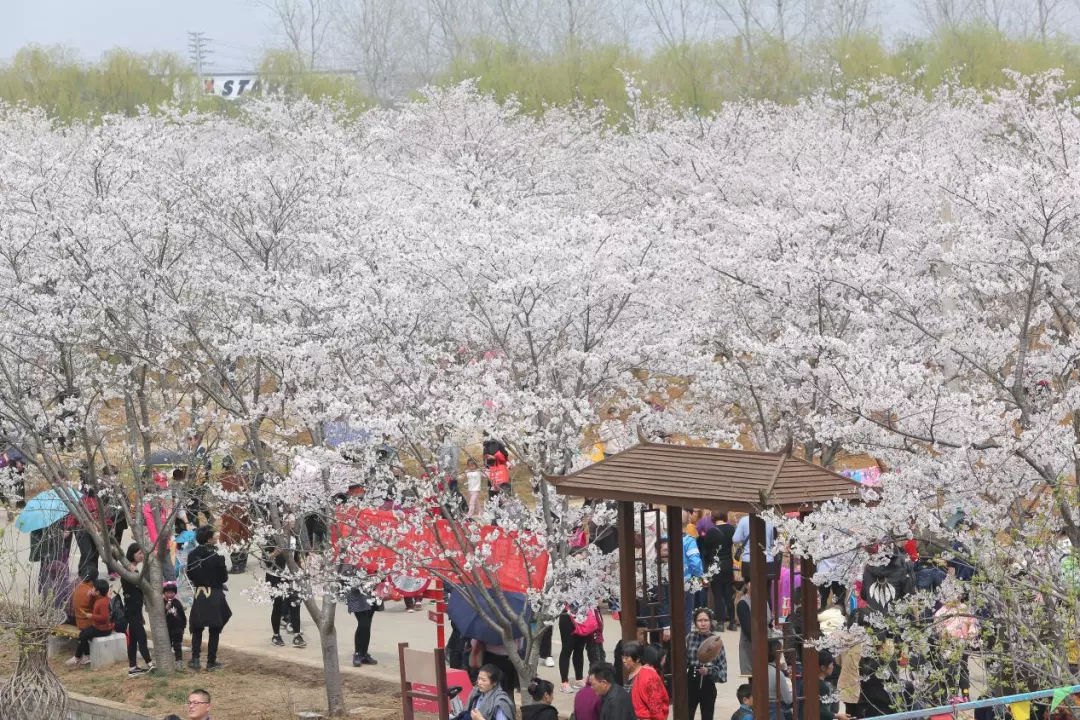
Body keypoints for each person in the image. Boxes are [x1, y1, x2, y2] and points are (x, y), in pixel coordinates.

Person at [186, 525, 232, 671]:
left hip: (200, 593)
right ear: (209, 538)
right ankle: (211, 662)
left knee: (197, 628)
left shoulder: (192, 555)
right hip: (215, 594)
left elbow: (190, 574)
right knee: (214, 629)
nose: (217, 536)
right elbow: (224, 577)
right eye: (214, 535)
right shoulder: (217, 555)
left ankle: (195, 659)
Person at [688, 607, 728, 720]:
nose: (703, 623)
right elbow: (682, 661)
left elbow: (722, 669)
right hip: (690, 682)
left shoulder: (716, 641)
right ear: (695, 623)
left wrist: (709, 671)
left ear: (711, 622)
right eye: (700, 620)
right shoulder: (690, 638)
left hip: (708, 684)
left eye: (706, 620)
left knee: (707, 716)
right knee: (687, 715)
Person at [700, 511, 737, 630]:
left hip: (715, 565)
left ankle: (720, 623)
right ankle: (732, 622)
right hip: (728, 564)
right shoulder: (732, 529)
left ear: (713, 517)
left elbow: (705, 551)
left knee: (718, 594)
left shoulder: (711, 532)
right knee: (728, 593)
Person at [265, 540, 305, 648]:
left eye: (293, 521)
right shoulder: (272, 536)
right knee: (277, 606)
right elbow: (265, 561)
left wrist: (302, 570)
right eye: (291, 521)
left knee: (295, 604)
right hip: (275, 576)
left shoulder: (295, 537)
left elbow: (296, 558)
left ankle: (297, 635)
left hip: (292, 576)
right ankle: (276, 635)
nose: (292, 522)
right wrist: (275, 553)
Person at [122, 543, 154, 676]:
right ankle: (149, 663)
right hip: (132, 609)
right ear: (132, 554)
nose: (141, 556)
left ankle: (133, 667)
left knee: (134, 638)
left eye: (142, 553)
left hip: (134, 607)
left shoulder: (131, 568)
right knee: (141, 636)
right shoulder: (130, 569)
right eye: (139, 553)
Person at [70, 578, 114, 666]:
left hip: (103, 629)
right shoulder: (104, 599)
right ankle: (81, 656)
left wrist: (91, 616)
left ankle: (83, 656)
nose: (91, 589)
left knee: (83, 636)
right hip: (100, 627)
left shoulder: (101, 603)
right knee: (83, 634)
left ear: (98, 592)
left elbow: (104, 618)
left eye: (93, 588)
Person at [622, 641, 669, 720]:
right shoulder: (645, 675)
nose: (624, 660)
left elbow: (655, 707)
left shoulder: (646, 674)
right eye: (622, 657)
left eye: (626, 658)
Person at [736, 579, 770, 675]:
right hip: (750, 647)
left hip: (766, 644)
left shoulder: (764, 600)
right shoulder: (743, 603)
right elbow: (748, 629)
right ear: (746, 585)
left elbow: (769, 622)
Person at [345, 572, 378, 666]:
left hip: (372, 592)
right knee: (364, 624)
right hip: (357, 594)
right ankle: (357, 653)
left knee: (368, 624)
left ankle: (364, 653)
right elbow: (345, 574)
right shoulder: (350, 558)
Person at [558, 608, 592, 693]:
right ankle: (564, 683)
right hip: (568, 615)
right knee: (567, 649)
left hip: (582, 614)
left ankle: (579, 679)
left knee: (579, 649)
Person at [816, 651, 850, 720]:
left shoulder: (810, 682)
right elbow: (821, 711)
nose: (832, 667)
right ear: (823, 668)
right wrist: (837, 716)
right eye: (831, 664)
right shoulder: (822, 686)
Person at [163, 580, 187, 661]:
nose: (170, 594)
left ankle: (179, 661)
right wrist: (166, 608)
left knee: (177, 646)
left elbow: (183, 616)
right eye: (168, 592)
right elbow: (160, 615)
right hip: (167, 629)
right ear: (164, 593)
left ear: (175, 593)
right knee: (167, 645)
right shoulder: (162, 603)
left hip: (177, 629)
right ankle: (167, 661)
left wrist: (183, 627)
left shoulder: (177, 603)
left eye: (172, 592)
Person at [71, 566, 99, 636]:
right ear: (93, 580)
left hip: (78, 622)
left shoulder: (77, 588)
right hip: (89, 625)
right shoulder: (92, 592)